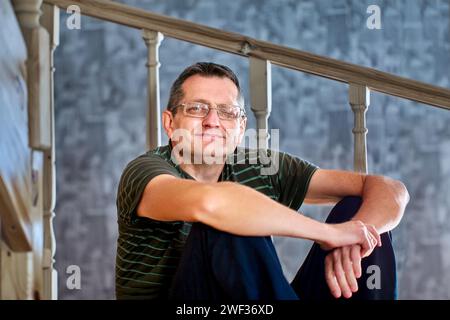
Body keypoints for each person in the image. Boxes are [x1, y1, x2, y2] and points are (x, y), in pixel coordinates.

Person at [115, 62, 409, 300]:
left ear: (241, 126)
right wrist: (329, 234)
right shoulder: (146, 171)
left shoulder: (256, 166)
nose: (212, 121)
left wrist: (354, 236)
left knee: (359, 211)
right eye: (196, 108)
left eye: (227, 112)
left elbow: (390, 190)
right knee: (228, 218)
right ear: (170, 123)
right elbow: (212, 202)